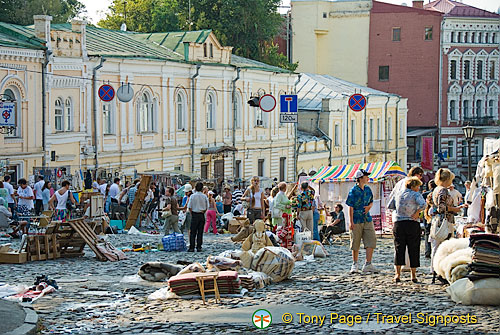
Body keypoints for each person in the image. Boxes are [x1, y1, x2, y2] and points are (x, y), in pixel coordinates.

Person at [428, 168, 467, 282]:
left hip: (438, 221)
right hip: (444, 221)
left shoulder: (436, 189)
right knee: (443, 248)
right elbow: (442, 208)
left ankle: (434, 270)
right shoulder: (444, 190)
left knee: (435, 247)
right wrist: (456, 208)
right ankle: (440, 272)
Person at [388, 177, 426, 283]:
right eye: (418, 186)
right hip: (412, 223)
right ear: (413, 186)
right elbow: (423, 204)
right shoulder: (415, 194)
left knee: (399, 248)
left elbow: (390, 206)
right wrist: (417, 212)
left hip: (399, 223)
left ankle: (397, 274)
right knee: (413, 248)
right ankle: (413, 275)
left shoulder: (398, 194)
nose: (419, 188)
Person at [346, 169, 378, 274]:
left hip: (367, 218)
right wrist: (351, 222)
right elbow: (350, 206)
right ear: (360, 178)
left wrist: (369, 207)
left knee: (371, 239)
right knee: (355, 241)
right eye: (365, 176)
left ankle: (368, 263)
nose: (368, 178)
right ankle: (355, 263)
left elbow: (371, 201)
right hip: (356, 219)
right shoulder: (353, 191)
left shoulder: (368, 189)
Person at [187, 182, 209, 252]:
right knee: (200, 232)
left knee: (193, 232)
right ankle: (199, 246)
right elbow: (207, 207)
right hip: (201, 214)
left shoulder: (192, 196)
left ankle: (192, 247)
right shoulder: (204, 196)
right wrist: (203, 211)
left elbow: (189, 207)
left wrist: (192, 212)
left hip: (194, 214)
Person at [422, 180, 437, 258]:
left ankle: (428, 252)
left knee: (427, 233)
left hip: (427, 215)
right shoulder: (438, 193)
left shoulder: (425, 194)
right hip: (435, 216)